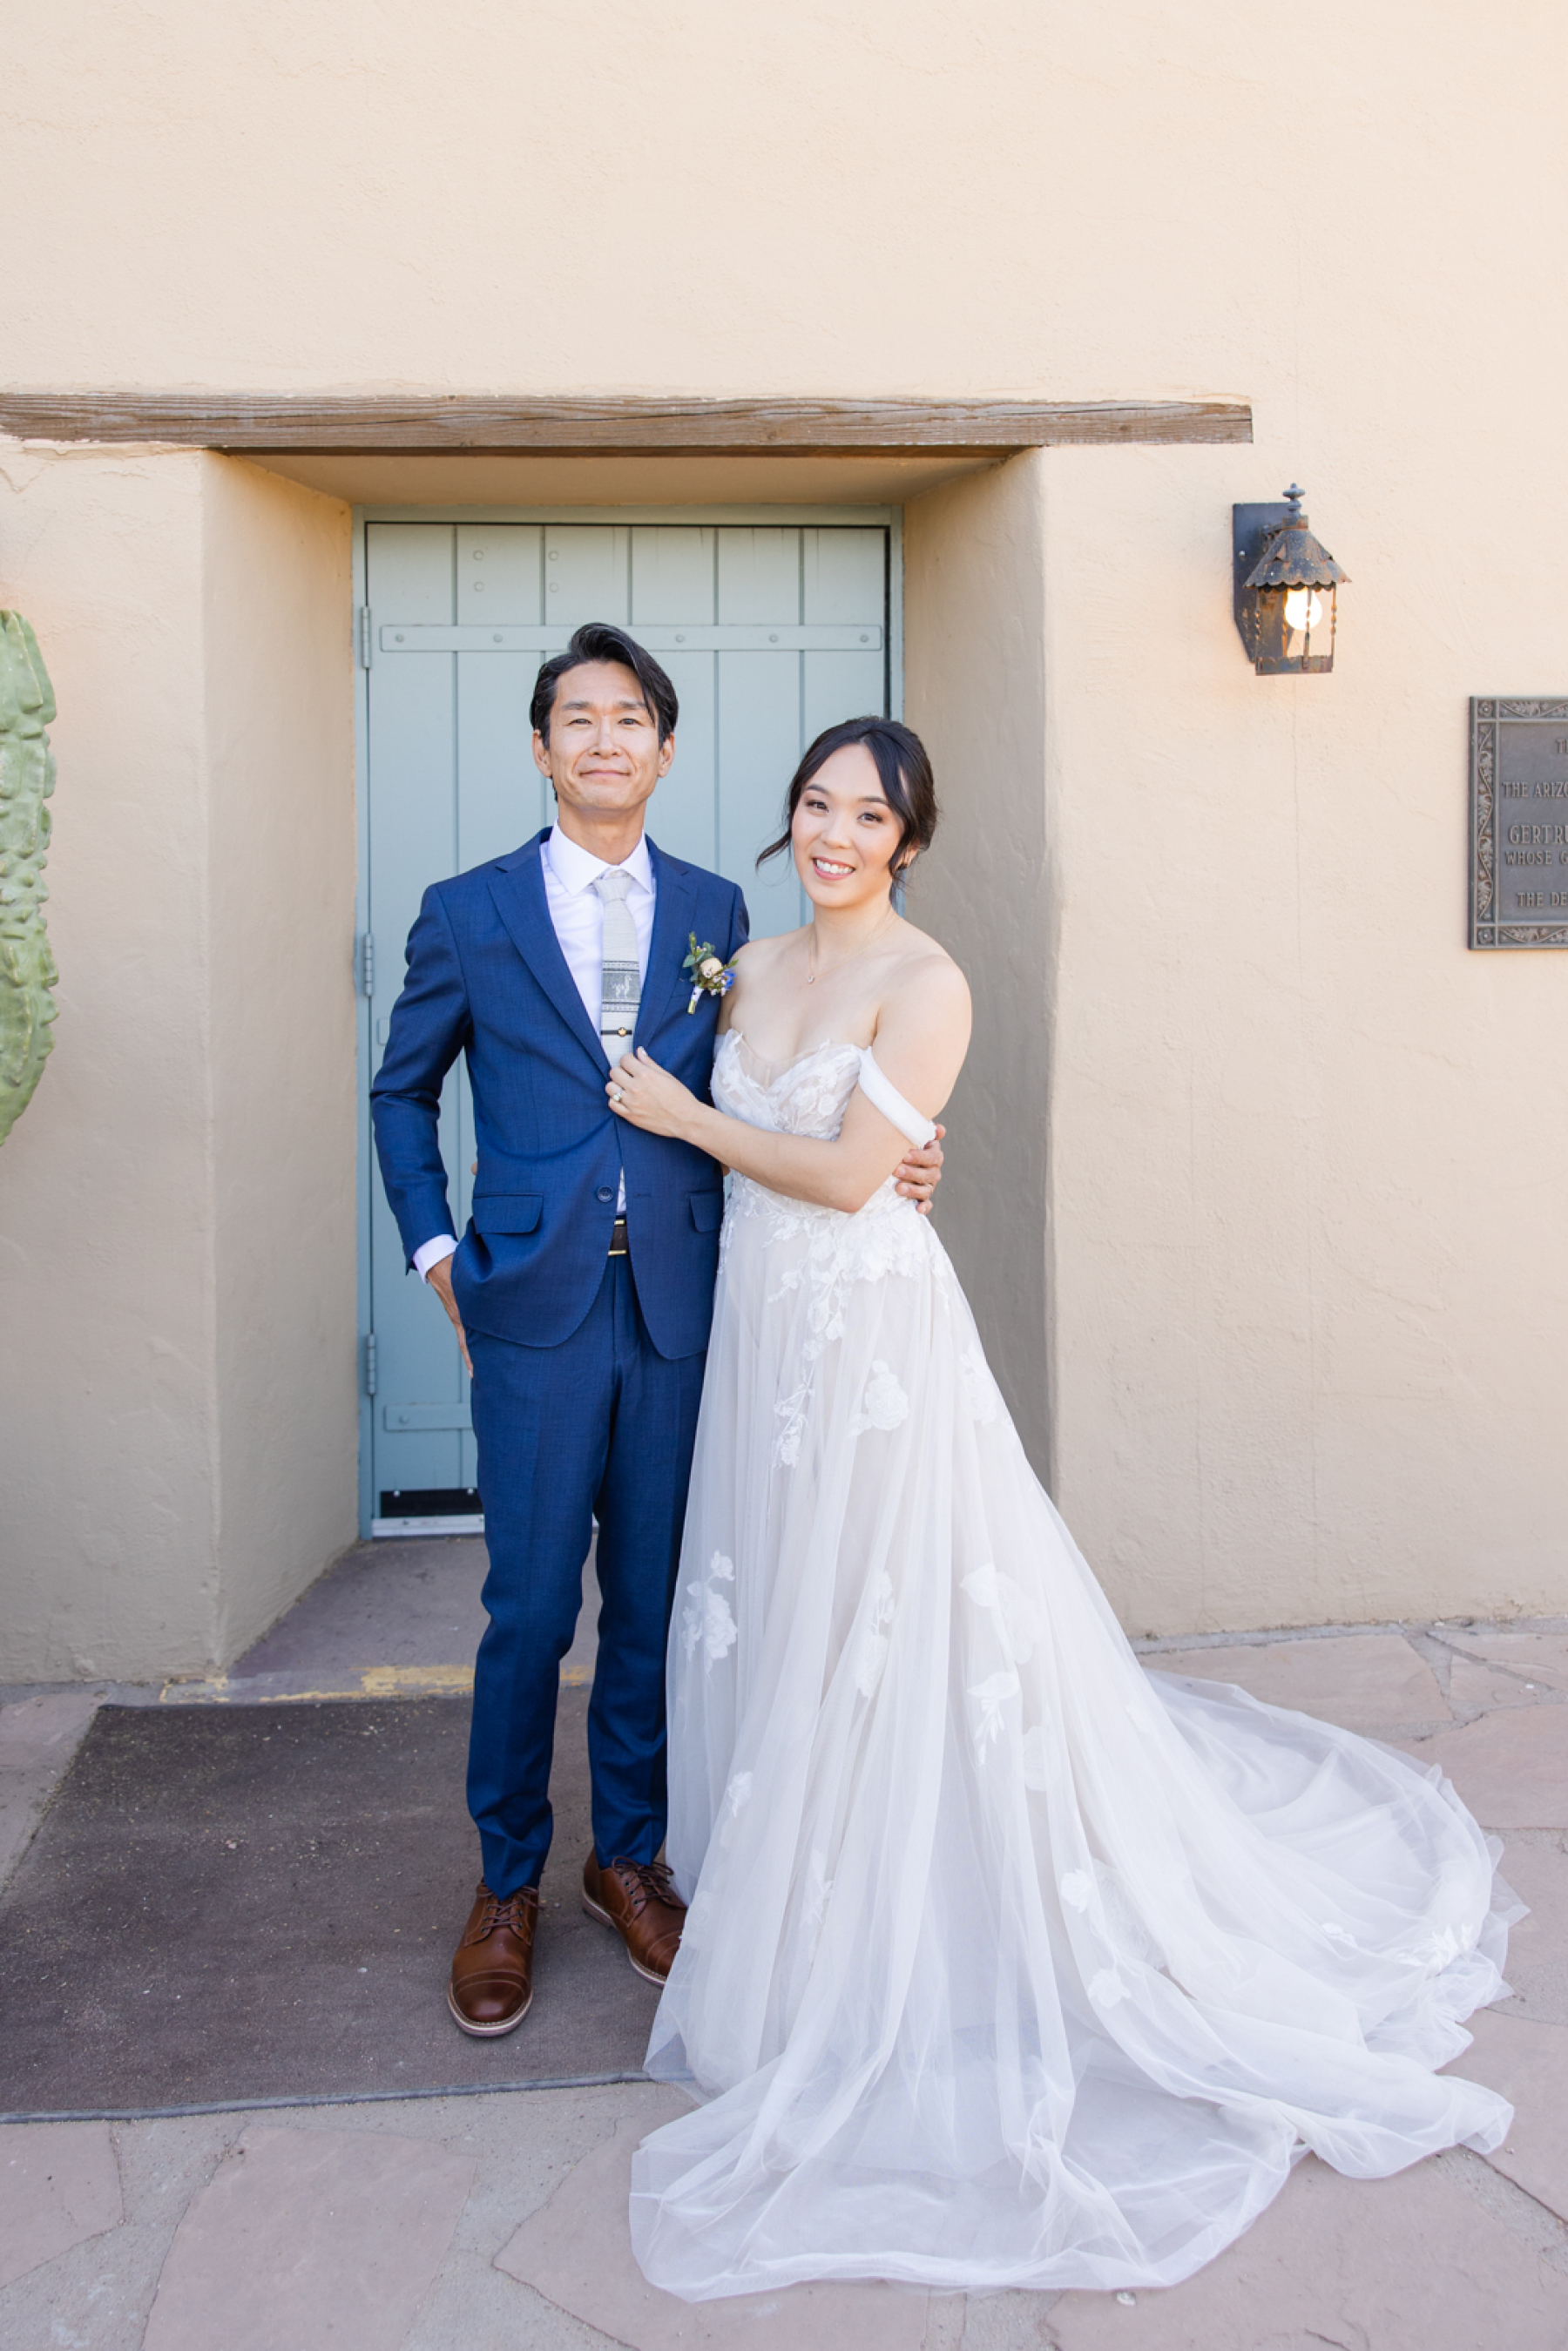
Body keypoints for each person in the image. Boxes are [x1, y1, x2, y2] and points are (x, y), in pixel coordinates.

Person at [599, 714, 1519, 2300]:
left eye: (866, 816)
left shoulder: (929, 985)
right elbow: (766, 1161)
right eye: (816, 805)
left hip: (871, 1340)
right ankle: (797, 1910)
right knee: (781, 1604)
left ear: (908, 838)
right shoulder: (742, 967)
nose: (833, 834)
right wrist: (726, 1141)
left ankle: (916, 1931)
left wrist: (696, 1122)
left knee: (892, 1611)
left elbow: (833, 1174)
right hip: (763, 1341)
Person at [370, 626, 944, 2037]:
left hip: (694, 1308)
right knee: (526, 1609)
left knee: (653, 1602)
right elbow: (401, 1094)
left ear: (667, 750)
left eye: (633, 718)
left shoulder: (722, 925)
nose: (607, 740)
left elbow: (815, 1076)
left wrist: (911, 1157)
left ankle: (623, 1857)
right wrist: (439, 1250)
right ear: (543, 745)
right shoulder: (468, 909)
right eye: (581, 718)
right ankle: (504, 1880)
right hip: (531, 1313)